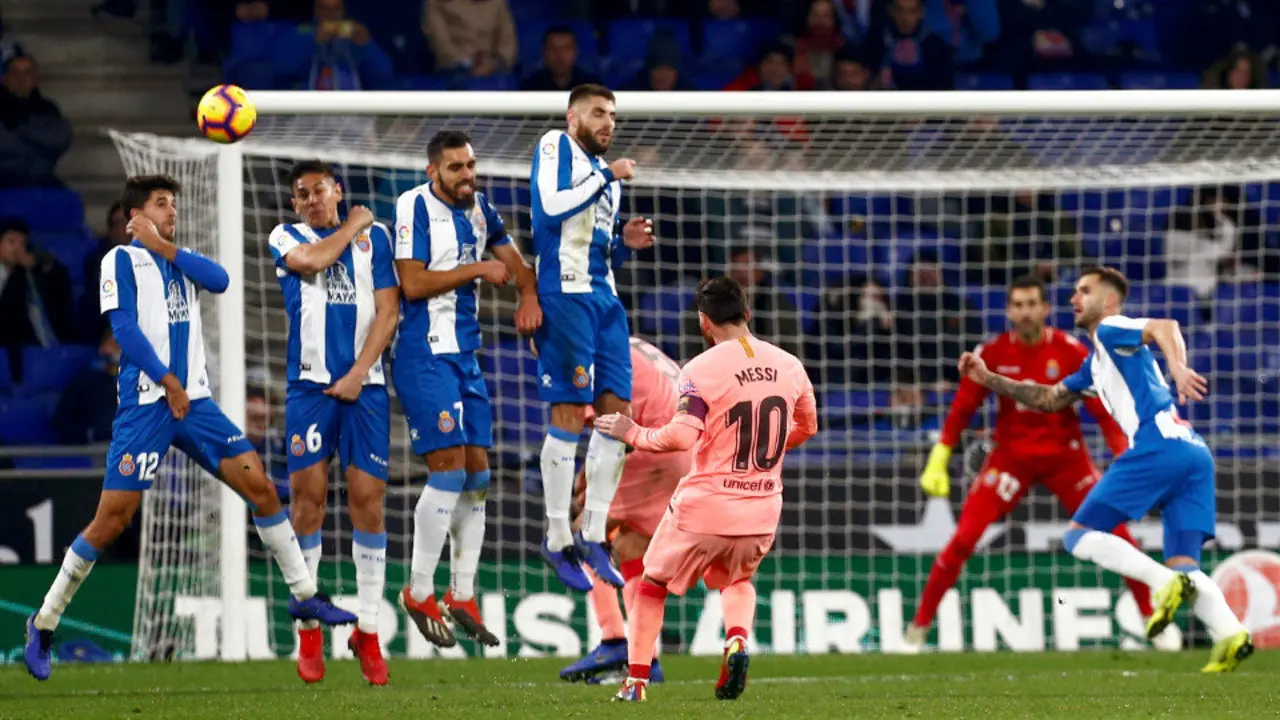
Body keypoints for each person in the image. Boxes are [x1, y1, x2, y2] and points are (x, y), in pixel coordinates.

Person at [23, 175, 354, 682]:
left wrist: (166, 248)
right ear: (136, 216)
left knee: (263, 489)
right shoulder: (120, 261)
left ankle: (305, 595)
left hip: (195, 404)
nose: (173, 211)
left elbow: (219, 280)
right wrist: (167, 379)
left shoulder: (179, 258)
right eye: (162, 204)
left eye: (173, 203)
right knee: (111, 521)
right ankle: (44, 621)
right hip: (147, 406)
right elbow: (124, 330)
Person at [957, 266, 1253, 673]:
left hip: (1158, 445)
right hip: (1192, 452)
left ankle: (1165, 585)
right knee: (1184, 562)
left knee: (1078, 536)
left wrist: (1178, 368)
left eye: (1084, 291)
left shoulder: (1112, 328)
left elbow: (1166, 326)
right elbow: (1047, 398)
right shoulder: (1097, 363)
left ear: (1109, 301)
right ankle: (1232, 633)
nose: (1073, 298)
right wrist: (989, 378)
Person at [906, 275, 1181, 652]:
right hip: (1011, 459)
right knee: (964, 538)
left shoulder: (1070, 351)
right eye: (1018, 305)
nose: (1025, 312)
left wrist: (1124, 456)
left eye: (1032, 304)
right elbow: (962, 409)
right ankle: (918, 627)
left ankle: (1152, 618)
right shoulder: (992, 353)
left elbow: (1103, 414)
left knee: (1118, 534)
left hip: (1066, 459)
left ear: (1046, 309)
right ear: (1008, 311)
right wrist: (939, 458)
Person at [594, 276, 818, 702]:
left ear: (704, 322)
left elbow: (680, 437)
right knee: (738, 579)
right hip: (762, 506)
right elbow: (808, 426)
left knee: (651, 586)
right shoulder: (790, 365)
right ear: (747, 313)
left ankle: (636, 682)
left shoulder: (699, 369)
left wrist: (632, 432)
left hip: (706, 504)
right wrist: (761, 452)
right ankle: (737, 639)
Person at [393, 129, 540, 649]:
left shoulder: (482, 209)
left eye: (471, 166)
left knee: (479, 474)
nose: (466, 176)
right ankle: (418, 591)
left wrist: (528, 296)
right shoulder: (413, 206)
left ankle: (462, 593)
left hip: (465, 355)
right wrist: (478, 267)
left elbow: (516, 264)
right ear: (433, 171)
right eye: (455, 168)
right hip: (424, 354)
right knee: (450, 470)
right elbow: (412, 283)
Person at [266, 160, 400, 685]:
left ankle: (368, 630)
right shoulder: (286, 236)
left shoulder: (378, 239)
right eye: (302, 194)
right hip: (309, 388)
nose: (312, 200)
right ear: (294, 204)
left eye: (319, 190)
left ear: (337, 190)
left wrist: (359, 373)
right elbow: (314, 259)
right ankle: (308, 626)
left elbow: (388, 312)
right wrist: (353, 224)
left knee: (368, 501)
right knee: (308, 500)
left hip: (366, 389)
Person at [529, 84, 654, 593]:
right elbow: (550, 207)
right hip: (564, 293)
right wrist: (608, 174)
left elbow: (594, 243)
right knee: (567, 414)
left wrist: (623, 241)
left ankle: (594, 533)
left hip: (605, 299)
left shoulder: (607, 177)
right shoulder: (555, 146)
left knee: (617, 417)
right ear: (572, 117)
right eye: (598, 113)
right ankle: (558, 536)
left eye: (613, 116)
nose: (608, 123)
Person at [559, 336, 690, 685]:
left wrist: (582, 481)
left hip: (650, 445)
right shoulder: (633, 344)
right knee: (631, 545)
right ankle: (644, 659)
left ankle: (613, 638)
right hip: (684, 445)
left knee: (582, 531)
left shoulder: (594, 354)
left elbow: (606, 427)